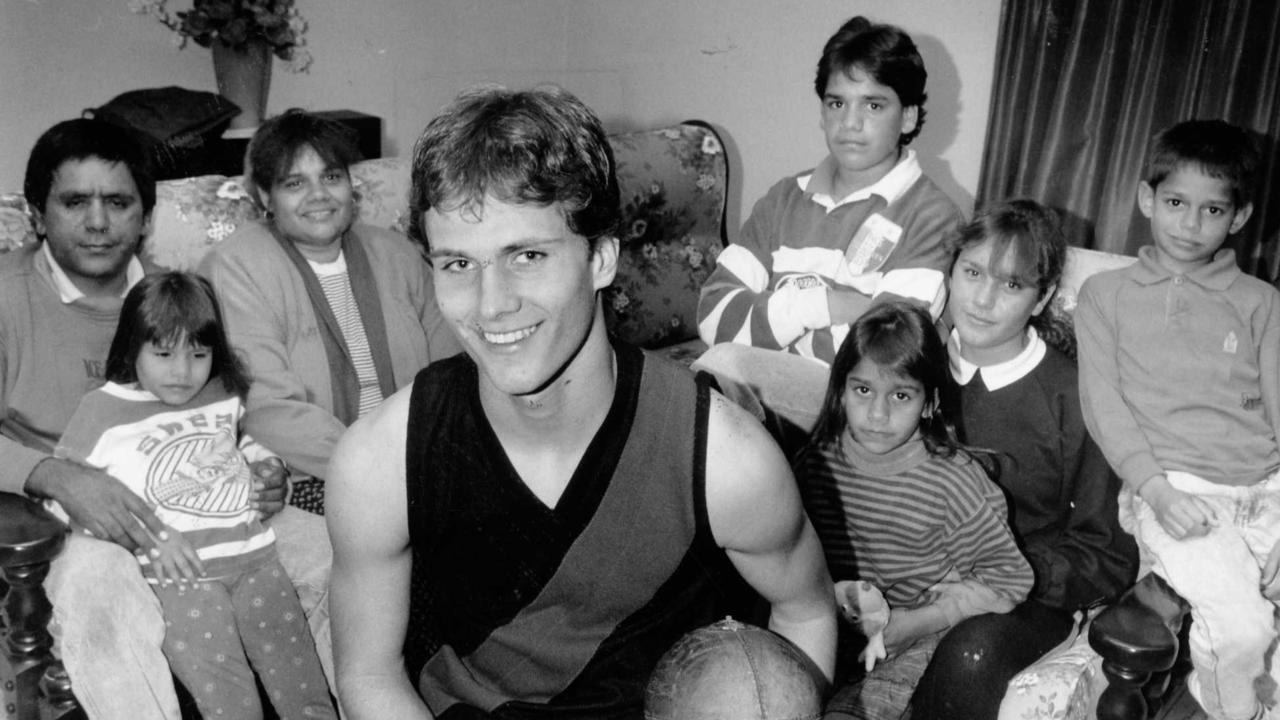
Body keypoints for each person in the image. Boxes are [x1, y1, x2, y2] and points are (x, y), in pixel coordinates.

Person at [327, 85, 838, 719]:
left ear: (600, 257)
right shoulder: (377, 462)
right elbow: (368, 673)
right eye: (458, 264)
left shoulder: (725, 461)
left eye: (528, 256)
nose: (491, 305)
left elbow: (806, 611)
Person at [0, 118, 300, 720]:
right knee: (103, 591)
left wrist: (263, 473)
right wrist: (52, 475)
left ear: (146, 214)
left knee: (323, 551)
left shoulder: (180, 298)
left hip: (202, 510)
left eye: (117, 201)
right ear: (37, 214)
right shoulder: (6, 299)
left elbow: (225, 413)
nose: (98, 222)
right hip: (67, 525)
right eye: (74, 201)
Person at [54, 272, 337, 720]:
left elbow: (238, 445)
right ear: (133, 347)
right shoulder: (101, 412)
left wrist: (269, 466)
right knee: (229, 699)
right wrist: (139, 537)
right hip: (183, 581)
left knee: (303, 685)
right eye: (163, 354)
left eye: (199, 354)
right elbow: (67, 500)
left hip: (257, 563)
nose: (182, 372)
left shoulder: (221, 394)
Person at [1076, 119, 1280, 720]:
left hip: (1268, 487)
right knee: (1243, 628)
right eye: (1174, 203)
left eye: (1212, 209)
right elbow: (1104, 408)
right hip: (1176, 490)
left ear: (1238, 217)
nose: (1190, 225)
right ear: (1146, 199)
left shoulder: (1263, 302)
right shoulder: (1105, 295)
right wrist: (1157, 492)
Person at [909, 200, 1137, 718]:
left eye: (1012, 285)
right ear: (951, 272)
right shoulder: (911, 365)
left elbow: (1108, 552)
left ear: (1043, 298)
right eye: (972, 273)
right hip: (906, 572)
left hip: (1021, 599)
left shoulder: (1077, 399)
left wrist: (1006, 575)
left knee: (971, 654)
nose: (983, 299)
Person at [694, 15, 963, 445]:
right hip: (765, 408)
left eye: (873, 105)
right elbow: (713, 314)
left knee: (723, 367)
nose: (850, 123)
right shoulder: (784, 198)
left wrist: (770, 321)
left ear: (908, 117)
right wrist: (825, 305)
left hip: (856, 411)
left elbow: (882, 357)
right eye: (837, 103)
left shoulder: (931, 216)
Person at [198, 109, 462, 515]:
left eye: (332, 177)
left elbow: (453, 370)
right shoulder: (235, 266)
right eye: (294, 183)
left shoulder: (398, 254)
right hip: (314, 481)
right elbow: (266, 406)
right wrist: (381, 467)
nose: (319, 194)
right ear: (266, 197)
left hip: (425, 464)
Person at [793, 301, 1032, 719]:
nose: (877, 414)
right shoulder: (816, 464)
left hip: (918, 634)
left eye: (900, 395)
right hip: (830, 625)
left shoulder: (951, 483)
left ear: (928, 403)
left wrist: (921, 620)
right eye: (862, 390)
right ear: (842, 389)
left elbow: (1010, 581)